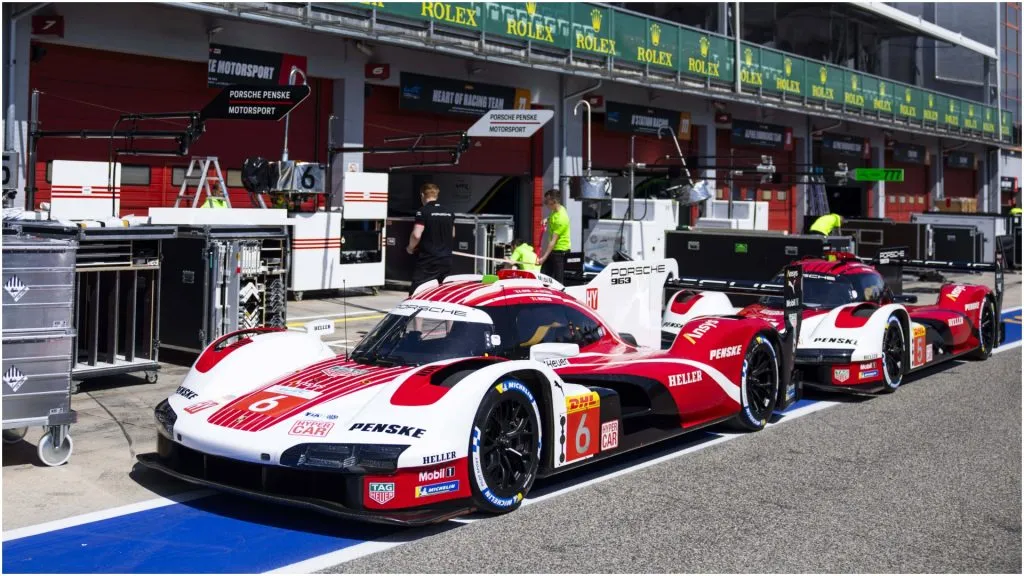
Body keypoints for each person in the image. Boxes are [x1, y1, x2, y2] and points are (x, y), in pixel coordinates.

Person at [406, 183, 455, 295]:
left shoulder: (423, 211)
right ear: (437, 195)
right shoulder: (449, 211)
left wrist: (410, 248)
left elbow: (416, 234)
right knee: (441, 291)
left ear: (422, 195)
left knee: (417, 291)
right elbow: (452, 234)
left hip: (429, 260)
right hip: (446, 259)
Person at [538, 189, 571, 283]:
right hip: (554, 250)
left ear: (554, 201)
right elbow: (553, 217)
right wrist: (546, 219)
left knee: (558, 280)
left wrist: (544, 257)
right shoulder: (557, 210)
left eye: (547, 201)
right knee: (543, 275)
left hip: (560, 252)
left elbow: (553, 241)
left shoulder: (561, 219)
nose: (545, 203)